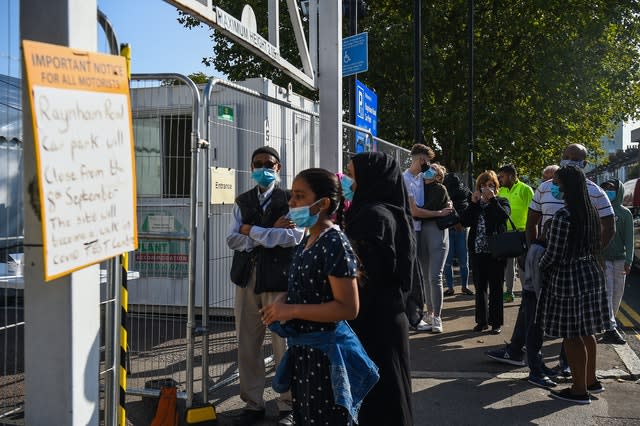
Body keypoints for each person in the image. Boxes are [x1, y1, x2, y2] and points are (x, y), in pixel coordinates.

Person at [260, 168, 379, 425]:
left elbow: (347, 308)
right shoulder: (306, 241)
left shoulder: (334, 242)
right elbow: (303, 291)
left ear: (323, 203)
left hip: (325, 361)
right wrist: (280, 304)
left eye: (300, 196)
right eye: (292, 195)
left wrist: (290, 312)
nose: (291, 203)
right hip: (305, 357)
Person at [226, 146, 305, 425]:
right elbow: (232, 239)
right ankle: (253, 403)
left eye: (268, 164)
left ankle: (289, 404)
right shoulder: (242, 200)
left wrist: (253, 231)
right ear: (251, 168)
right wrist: (271, 231)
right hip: (247, 279)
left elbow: (293, 237)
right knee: (247, 344)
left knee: (282, 344)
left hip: (280, 281)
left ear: (278, 167)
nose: (263, 168)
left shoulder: (291, 199)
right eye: (257, 164)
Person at [345, 151, 415, 426]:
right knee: (392, 391)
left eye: (351, 174)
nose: (347, 180)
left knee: (378, 398)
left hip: (373, 319)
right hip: (388, 314)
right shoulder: (389, 211)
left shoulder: (372, 217)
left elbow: (363, 274)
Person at [537, 166, 611, 404]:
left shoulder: (563, 217)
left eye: (556, 183)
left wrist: (539, 264)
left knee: (571, 336)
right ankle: (590, 381)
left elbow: (554, 254)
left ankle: (579, 391)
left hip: (568, 278)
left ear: (566, 187)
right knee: (587, 331)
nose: (553, 187)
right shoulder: (589, 212)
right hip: (590, 273)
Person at [402, 144, 452, 332]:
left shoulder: (423, 178)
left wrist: (448, 203)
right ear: (419, 159)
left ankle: (433, 315)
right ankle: (417, 315)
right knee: (418, 276)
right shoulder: (405, 179)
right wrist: (440, 212)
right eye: (426, 160)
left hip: (423, 231)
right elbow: (414, 211)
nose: (428, 165)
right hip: (413, 230)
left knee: (430, 276)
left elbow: (440, 188)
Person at [460, 170, 510, 334]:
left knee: (496, 288)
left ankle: (496, 323)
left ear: (496, 188)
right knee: (480, 288)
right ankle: (481, 321)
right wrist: (474, 204)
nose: (486, 189)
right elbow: (465, 221)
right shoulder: (474, 203)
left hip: (496, 252)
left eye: (490, 185)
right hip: (477, 251)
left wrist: (493, 200)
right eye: (483, 185)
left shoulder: (501, 201)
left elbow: (502, 217)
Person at [599, 178, 633, 345]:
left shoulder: (625, 213)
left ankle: (608, 324)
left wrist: (629, 260)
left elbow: (629, 240)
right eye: (605, 189)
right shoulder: (599, 211)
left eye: (611, 189)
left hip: (620, 260)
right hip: (604, 260)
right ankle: (610, 327)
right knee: (607, 292)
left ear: (618, 191)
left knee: (617, 294)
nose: (608, 191)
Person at [497, 164, 534, 303]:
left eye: (502, 176)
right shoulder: (501, 191)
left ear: (511, 176)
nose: (500, 179)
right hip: (506, 233)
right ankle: (509, 292)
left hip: (522, 232)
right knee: (508, 264)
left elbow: (533, 212)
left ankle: (526, 292)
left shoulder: (525, 189)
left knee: (523, 264)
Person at [443, 171, 473, 296]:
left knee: (448, 261)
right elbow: (472, 204)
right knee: (463, 260)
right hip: (463, 228)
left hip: (449, 227)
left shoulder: (444, 190)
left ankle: (450, 288)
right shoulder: (465, 189)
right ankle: (464, 287)